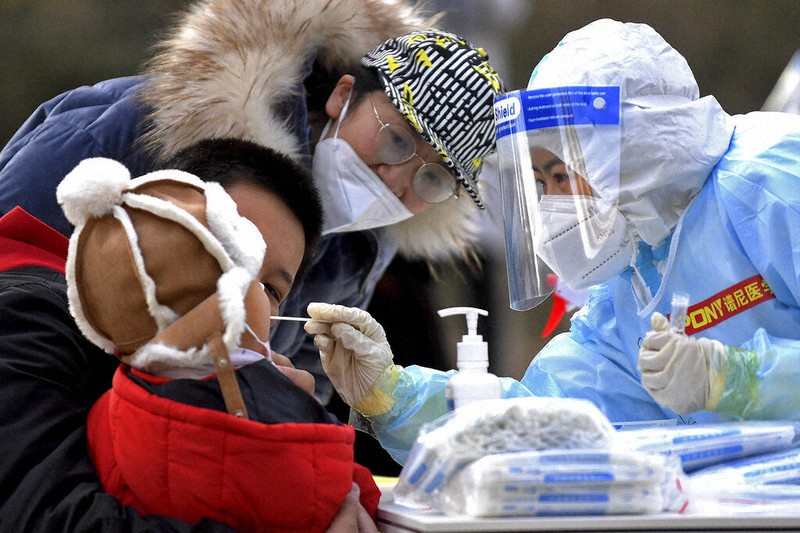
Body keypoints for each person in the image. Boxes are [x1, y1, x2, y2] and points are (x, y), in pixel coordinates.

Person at [302, 18, 800, 465]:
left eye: (562, 174)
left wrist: (740, 379)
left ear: (634, 148)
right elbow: (548, 419)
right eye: (540, 183)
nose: (554, 203)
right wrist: (393, 394)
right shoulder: (631, 285)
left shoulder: (774, 183)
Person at [0, 0, 505, 406]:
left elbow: (302, 378)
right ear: (343, 95)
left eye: (433, 179)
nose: (396, 180)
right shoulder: (139, 126)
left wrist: (284, 398)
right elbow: (12, 270)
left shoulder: (362, 246)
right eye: (395, 140)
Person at [0, 138, 372, 531]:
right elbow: (41, 517)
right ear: (155, 223)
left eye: (272, 289)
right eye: (226, 248)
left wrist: (277, 431)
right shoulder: (27, 317)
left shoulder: (229, 381)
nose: (244, 293)